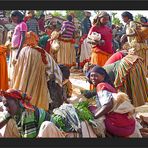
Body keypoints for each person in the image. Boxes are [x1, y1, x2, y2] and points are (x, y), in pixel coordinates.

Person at [11, 33, 63, 111]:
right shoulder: (40, 51)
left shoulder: (23, 50)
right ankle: (34, 108)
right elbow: (50, 67)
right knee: (35, 94)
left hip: (22, 82)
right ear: (36, 40)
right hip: (36, 81)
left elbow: (16, 68)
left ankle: (20, 105)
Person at [86, 65, 142, 137]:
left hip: (118, 126)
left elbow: (108, 105)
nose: (93, 78)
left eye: (95, 75)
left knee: (92, 113)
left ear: (103, 76)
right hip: (129, 125)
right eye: (91, 76)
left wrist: (94, 116)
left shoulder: (101, 86)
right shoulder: (109, 85)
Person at [120, 11, 148, 76]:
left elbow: (136, 33)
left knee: (139, 63)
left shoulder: (132, 23)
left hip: (137, 47)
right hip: (134, 46)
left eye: (123, 18)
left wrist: (125, 35)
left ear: (126, 17)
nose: (122, 20)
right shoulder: (127, 24)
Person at [9, 10, 27, 86]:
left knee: (18, 68)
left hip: (18, 50)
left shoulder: (23, 24)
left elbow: (23, 38)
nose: (12, 20)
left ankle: (17, 85)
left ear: (17, 17)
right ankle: (14, 84)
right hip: (14, 49)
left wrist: (19, 52)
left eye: (13, 18)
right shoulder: (18, 25)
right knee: (14, 68)